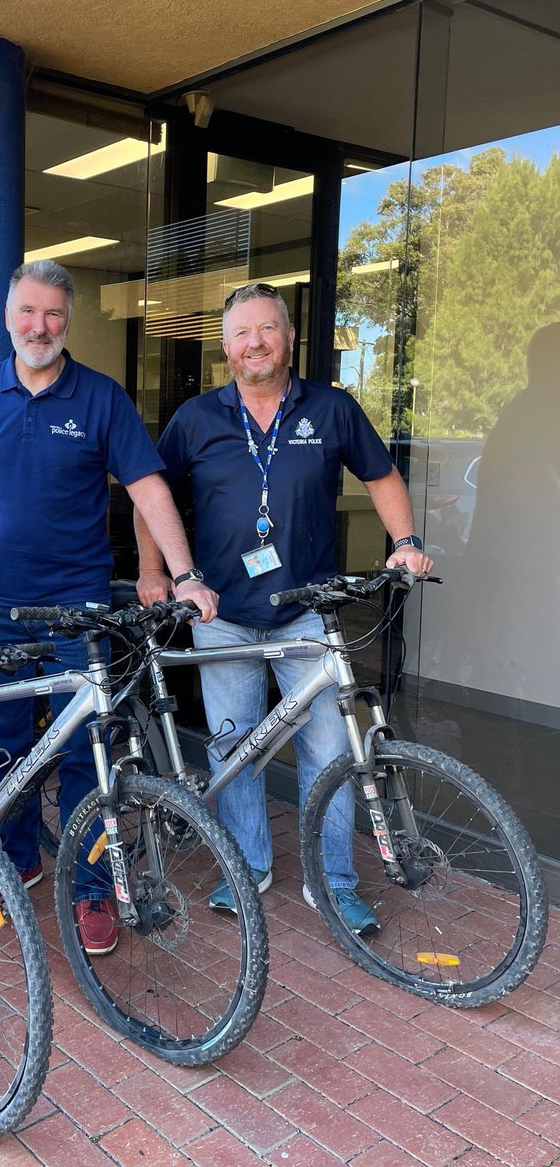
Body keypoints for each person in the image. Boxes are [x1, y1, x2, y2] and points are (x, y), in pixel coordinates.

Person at [0, 259, 217, 955]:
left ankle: (91, 892)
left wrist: (186, 574)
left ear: (69, 320)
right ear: (8, 316)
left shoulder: (100, 398)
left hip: (79, 611)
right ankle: (17, 857)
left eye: (54, 313)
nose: (40, 325)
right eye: (28, 311)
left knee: (89, 750)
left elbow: (148, 489)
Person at [136, 282, 433, 933]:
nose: (256, 343)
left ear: (290, 338)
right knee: (232, 749)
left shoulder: (331, 410)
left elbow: (381, 475)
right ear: (225, 348)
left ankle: (333, 882)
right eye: (242, 333)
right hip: (224, 615)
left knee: (329, 752)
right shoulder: (197, 417)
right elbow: (147, 495)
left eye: (267, 329)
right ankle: (246, 865)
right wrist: (154, 571)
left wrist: (405, 543)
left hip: (307, 612)